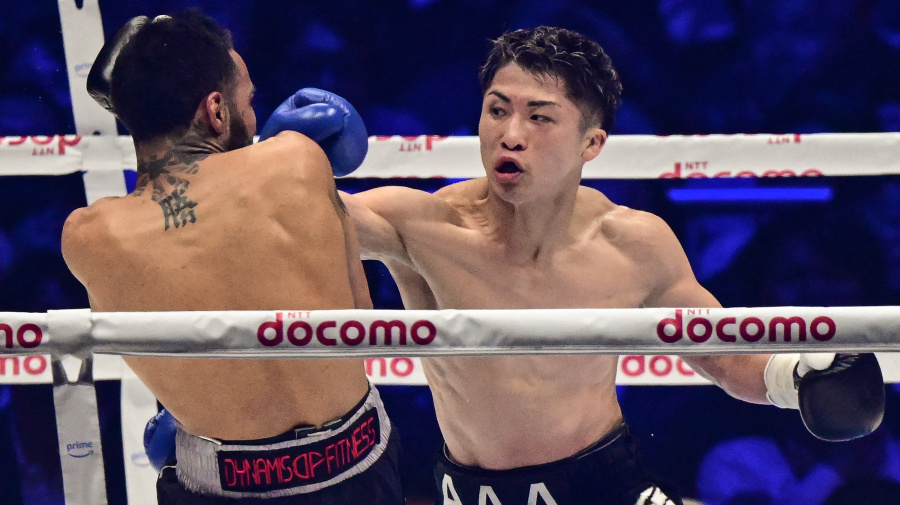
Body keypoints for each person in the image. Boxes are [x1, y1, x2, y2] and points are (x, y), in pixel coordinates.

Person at [147, 25, 885, 505]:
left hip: (606, 482)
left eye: (539, 116)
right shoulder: (422, 224)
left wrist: (799, 375)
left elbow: (722, 356)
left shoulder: (634, 243)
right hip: (463, 489)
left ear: (592, 143)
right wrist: (275, 159)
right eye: (497, 109)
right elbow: (282, 223)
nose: (511, 133)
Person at [61, 11, 403, 504]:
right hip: (355, 464)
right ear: (215, 110)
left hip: (219, 482)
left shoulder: (88, 237)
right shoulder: (296, 158)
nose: (256, 114)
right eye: (249, 100)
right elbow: (361, 325)